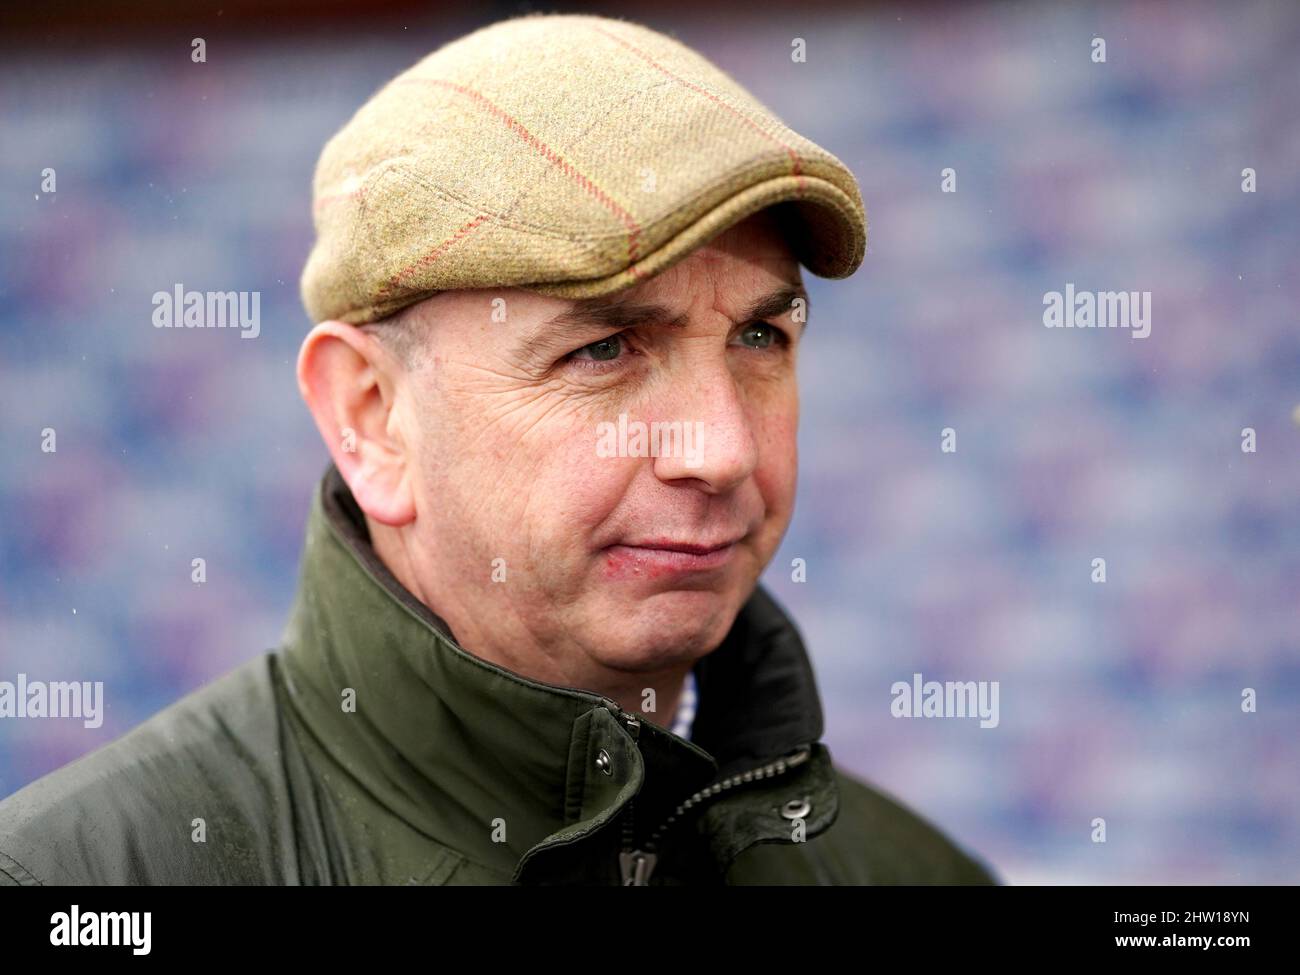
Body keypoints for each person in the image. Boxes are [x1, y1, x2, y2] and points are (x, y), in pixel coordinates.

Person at [0, 11, 997, 885]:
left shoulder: (912, 872)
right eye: (603, 347)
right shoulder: (77, 877)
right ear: (372, 416)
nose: (722, 449)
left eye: (759, 337)